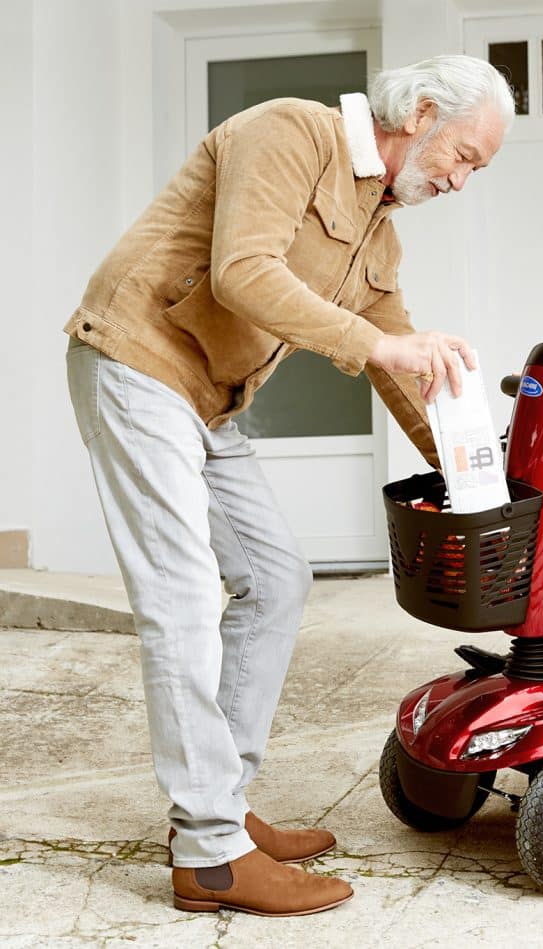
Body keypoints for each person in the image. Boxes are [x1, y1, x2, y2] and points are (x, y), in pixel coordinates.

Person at [63, 54, 515, 916]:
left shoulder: (379, 229)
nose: (463, 181)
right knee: (184, 594)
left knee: (275, 579)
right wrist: (381, 346)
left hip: (209, 398)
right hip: (136, 359)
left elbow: (397, 362)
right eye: (467, 156)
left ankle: (221, 808)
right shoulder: (292, 131)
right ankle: (211, 853)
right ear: (420, 112)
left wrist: (475, 476)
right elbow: (243, 270)